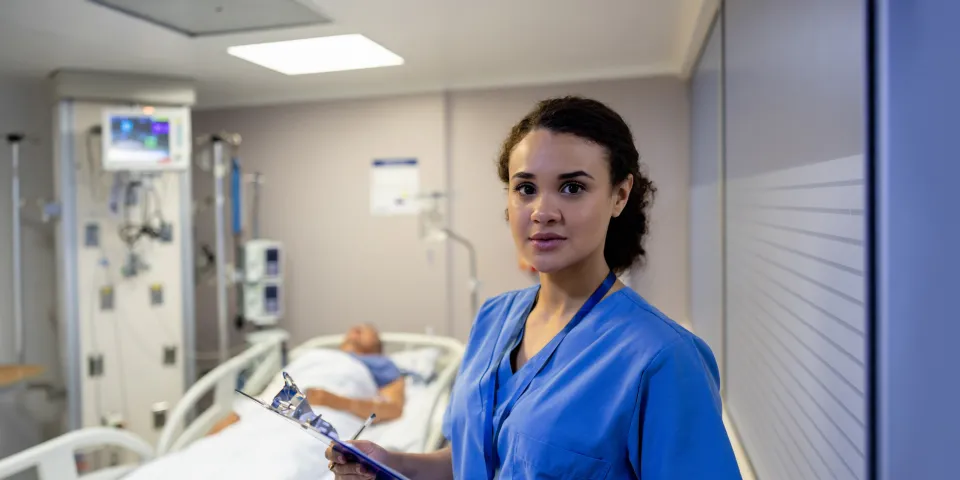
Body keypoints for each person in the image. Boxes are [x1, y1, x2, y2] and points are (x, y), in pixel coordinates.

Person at [327, 96, 742, 479]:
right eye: (525, 189)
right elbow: (474, 460)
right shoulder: (494, 318)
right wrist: (390, 463)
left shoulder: (662, 359)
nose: (542, 212)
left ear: (620, 195)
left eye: (572, 187)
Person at [208, 323, 405, 435]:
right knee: (224, 435)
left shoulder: (381, 365)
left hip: (324, 410)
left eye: (367, 329)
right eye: (355, 327)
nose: (357, 328)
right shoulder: (316, 355)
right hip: (276, 405)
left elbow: (393, 409)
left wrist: (335, 401)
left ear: (378, 346)